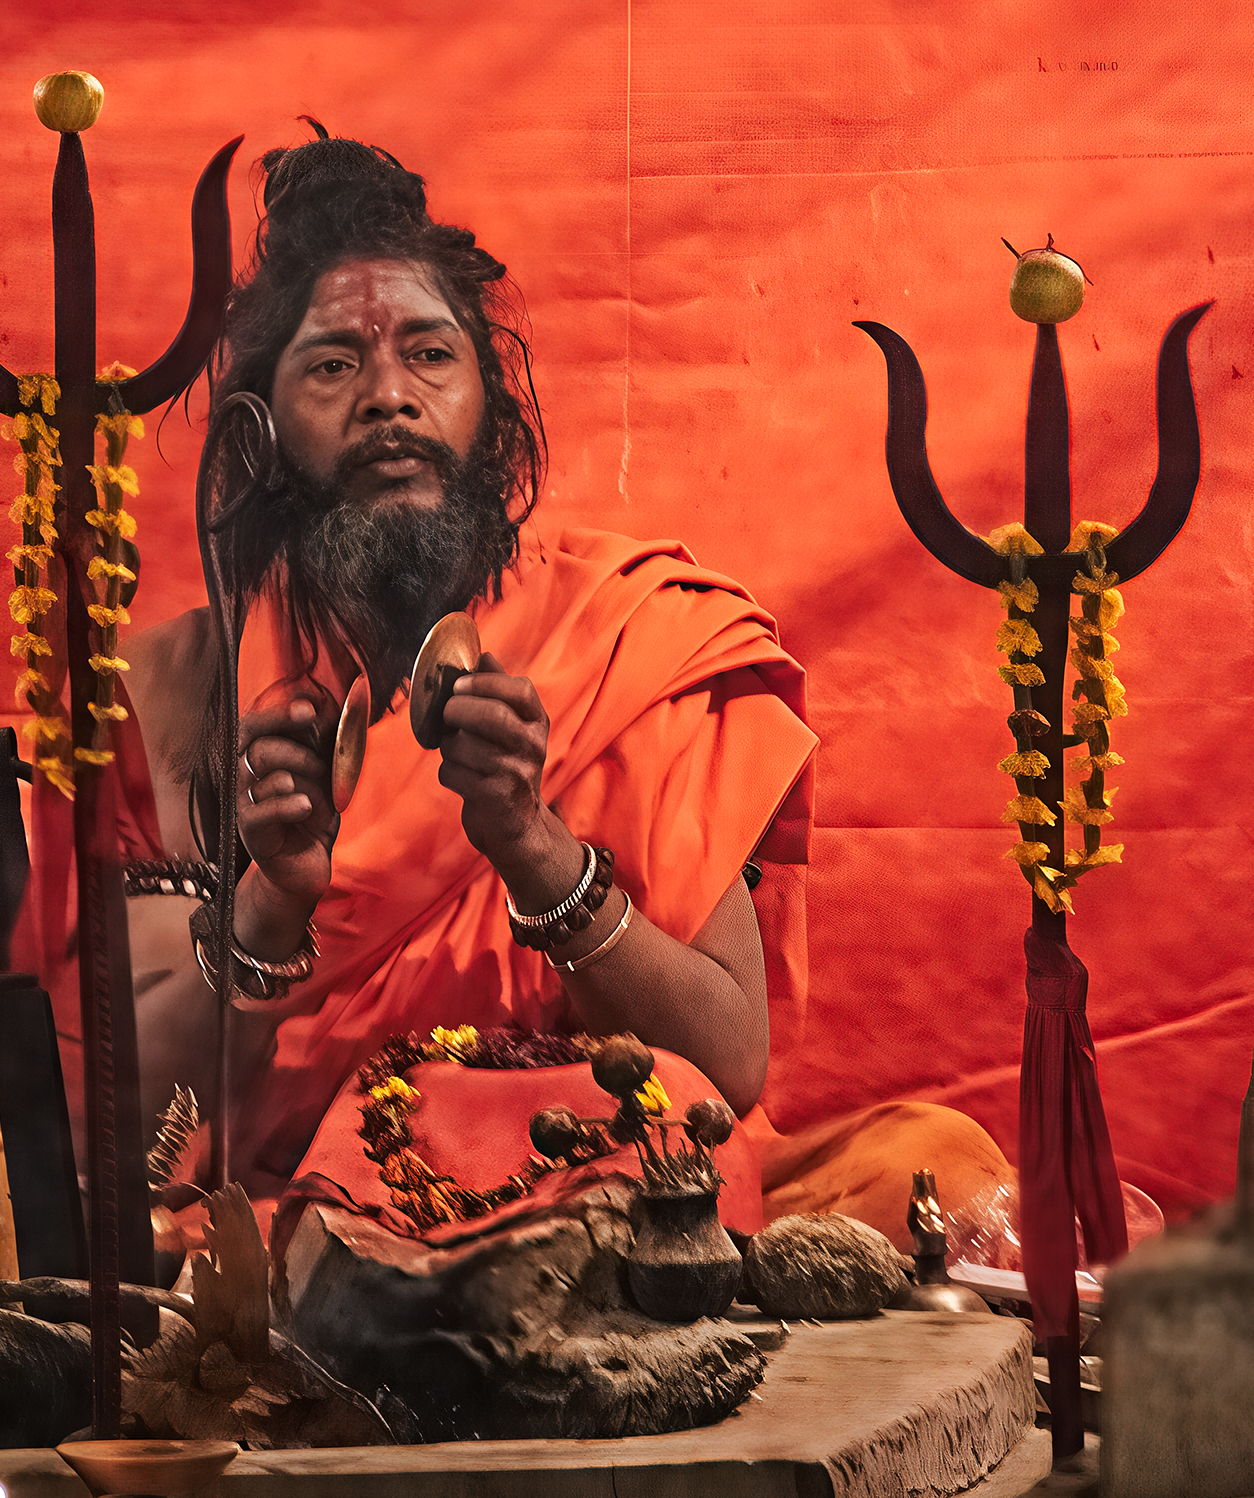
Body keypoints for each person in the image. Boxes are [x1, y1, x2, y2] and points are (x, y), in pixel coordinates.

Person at [124, 128, 1011, 1255]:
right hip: (325, 1215)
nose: (388, 398)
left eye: (430, 355)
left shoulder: (630, 638)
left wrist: (537, 850)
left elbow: (728, 1063)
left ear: (491, 406)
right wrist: (270, 906)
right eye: (333, 365)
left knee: (932, 1163)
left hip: (621, 1196)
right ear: (258, 428)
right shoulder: (183, 690)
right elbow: (131, 1121)